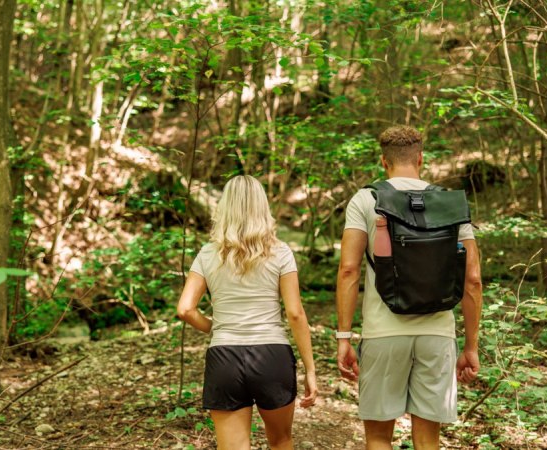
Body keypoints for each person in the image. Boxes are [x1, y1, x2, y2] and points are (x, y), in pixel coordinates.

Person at [336, 126, 483, 450]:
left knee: (378, 437)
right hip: (437, 333)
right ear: (420, 159)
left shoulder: (366, 200)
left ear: (383, 161)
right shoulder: (449, 203)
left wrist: (344, 337)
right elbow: (473, 278)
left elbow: (348, 270)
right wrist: (471, 346)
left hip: (382, 332)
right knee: (428, 440)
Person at [177, 175, 317, 450]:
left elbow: (185, 309)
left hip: (224, 357)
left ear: (224, 207)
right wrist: (310, 369)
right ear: (262, 207)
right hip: (272, 355)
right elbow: (295, 313)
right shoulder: (281, 252)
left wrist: (215, 327)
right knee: (281, 441)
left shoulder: (207, 254)